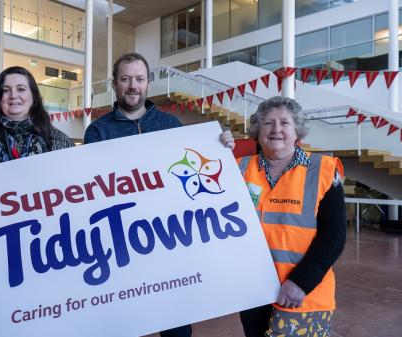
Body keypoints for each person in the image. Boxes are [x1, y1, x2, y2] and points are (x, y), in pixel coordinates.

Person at [84, 52, 235, 337]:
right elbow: (93, 188)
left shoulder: (170, 125)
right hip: (120, 243)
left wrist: (220, 145)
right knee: (119, 324)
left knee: (177, 329)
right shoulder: (98, 130)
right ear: (115, 84)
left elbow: (191, 171)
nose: (132, 85)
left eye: (139, 79)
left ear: (148, 83)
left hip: (168, 239)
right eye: (125, 78)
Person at [236, 96, 346, 337]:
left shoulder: (324, 171)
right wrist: (216, 146)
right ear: (257, 130)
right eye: (268, 123)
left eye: (285, 123)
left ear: (297, 131)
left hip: (303, 294)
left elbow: (334, 236)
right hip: (254, 292)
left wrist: (301, 282)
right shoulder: (238, 168)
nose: (276, 130)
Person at [0, 66, 74, 212]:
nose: (13, 95)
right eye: (5, 90)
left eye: (21, 89)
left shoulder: (60, 142)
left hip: (51, 230)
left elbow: (77, 186)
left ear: (34, 98)